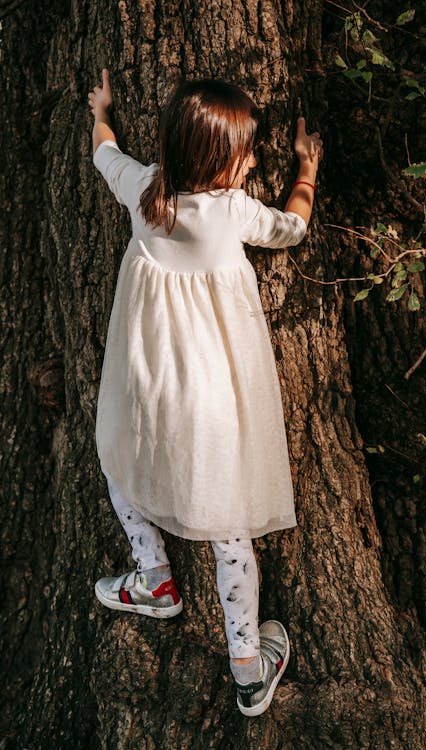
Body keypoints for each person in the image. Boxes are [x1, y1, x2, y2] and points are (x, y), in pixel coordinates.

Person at [87, 68, 322, 717]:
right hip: (215, 400)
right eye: (246, 151)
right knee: (228, 523)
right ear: (221, 160)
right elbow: (292, 228)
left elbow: (103, 149)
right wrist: (305, 172)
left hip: (149, 385)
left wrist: (100, 108)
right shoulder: (234, 213)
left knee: (119, 460)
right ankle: (247, 667)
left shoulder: (144, 192)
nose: (253, 159)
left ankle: (154, 575)